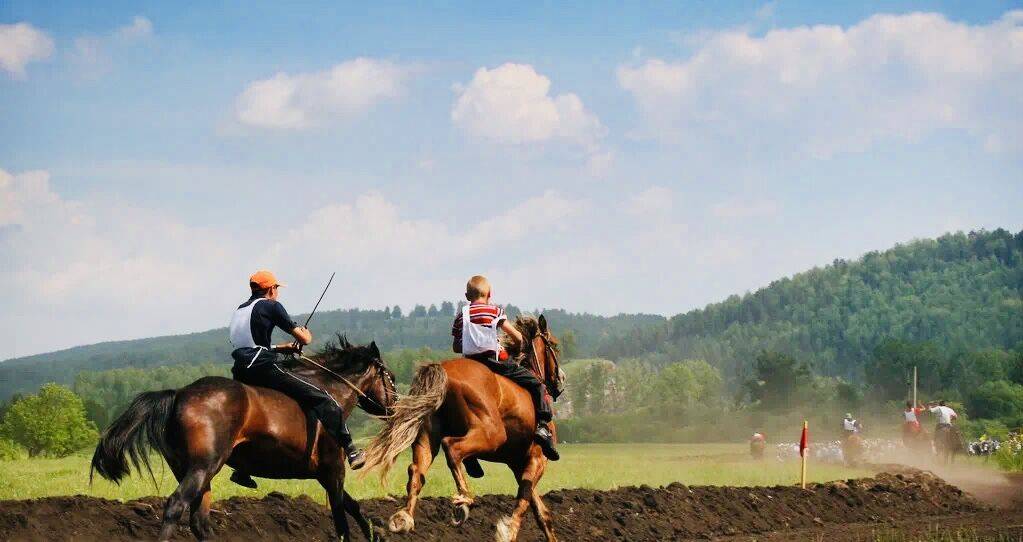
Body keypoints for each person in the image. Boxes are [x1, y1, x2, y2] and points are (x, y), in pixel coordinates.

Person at [228, 270, 364, 489]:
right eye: (277, 289)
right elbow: (303, 338)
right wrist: (305, 336)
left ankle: (242, 469)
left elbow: (249, 344)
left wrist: (282, 348)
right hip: (262, 367)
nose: (277, 292)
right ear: (271, 289)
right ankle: (351, 449)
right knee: (324, 399)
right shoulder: (271, 306)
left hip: (241, 369)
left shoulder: (240, 310)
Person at [451, 275, 559, 461]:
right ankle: (542, 426)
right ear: (489, 294)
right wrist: (511, 343)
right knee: (535, 384)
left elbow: (456, 346)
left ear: (467, 296)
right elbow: (516, 337)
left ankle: (469, 457)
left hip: (471, 365)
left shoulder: (462, 315)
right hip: (494, 363)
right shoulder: (494, 311)